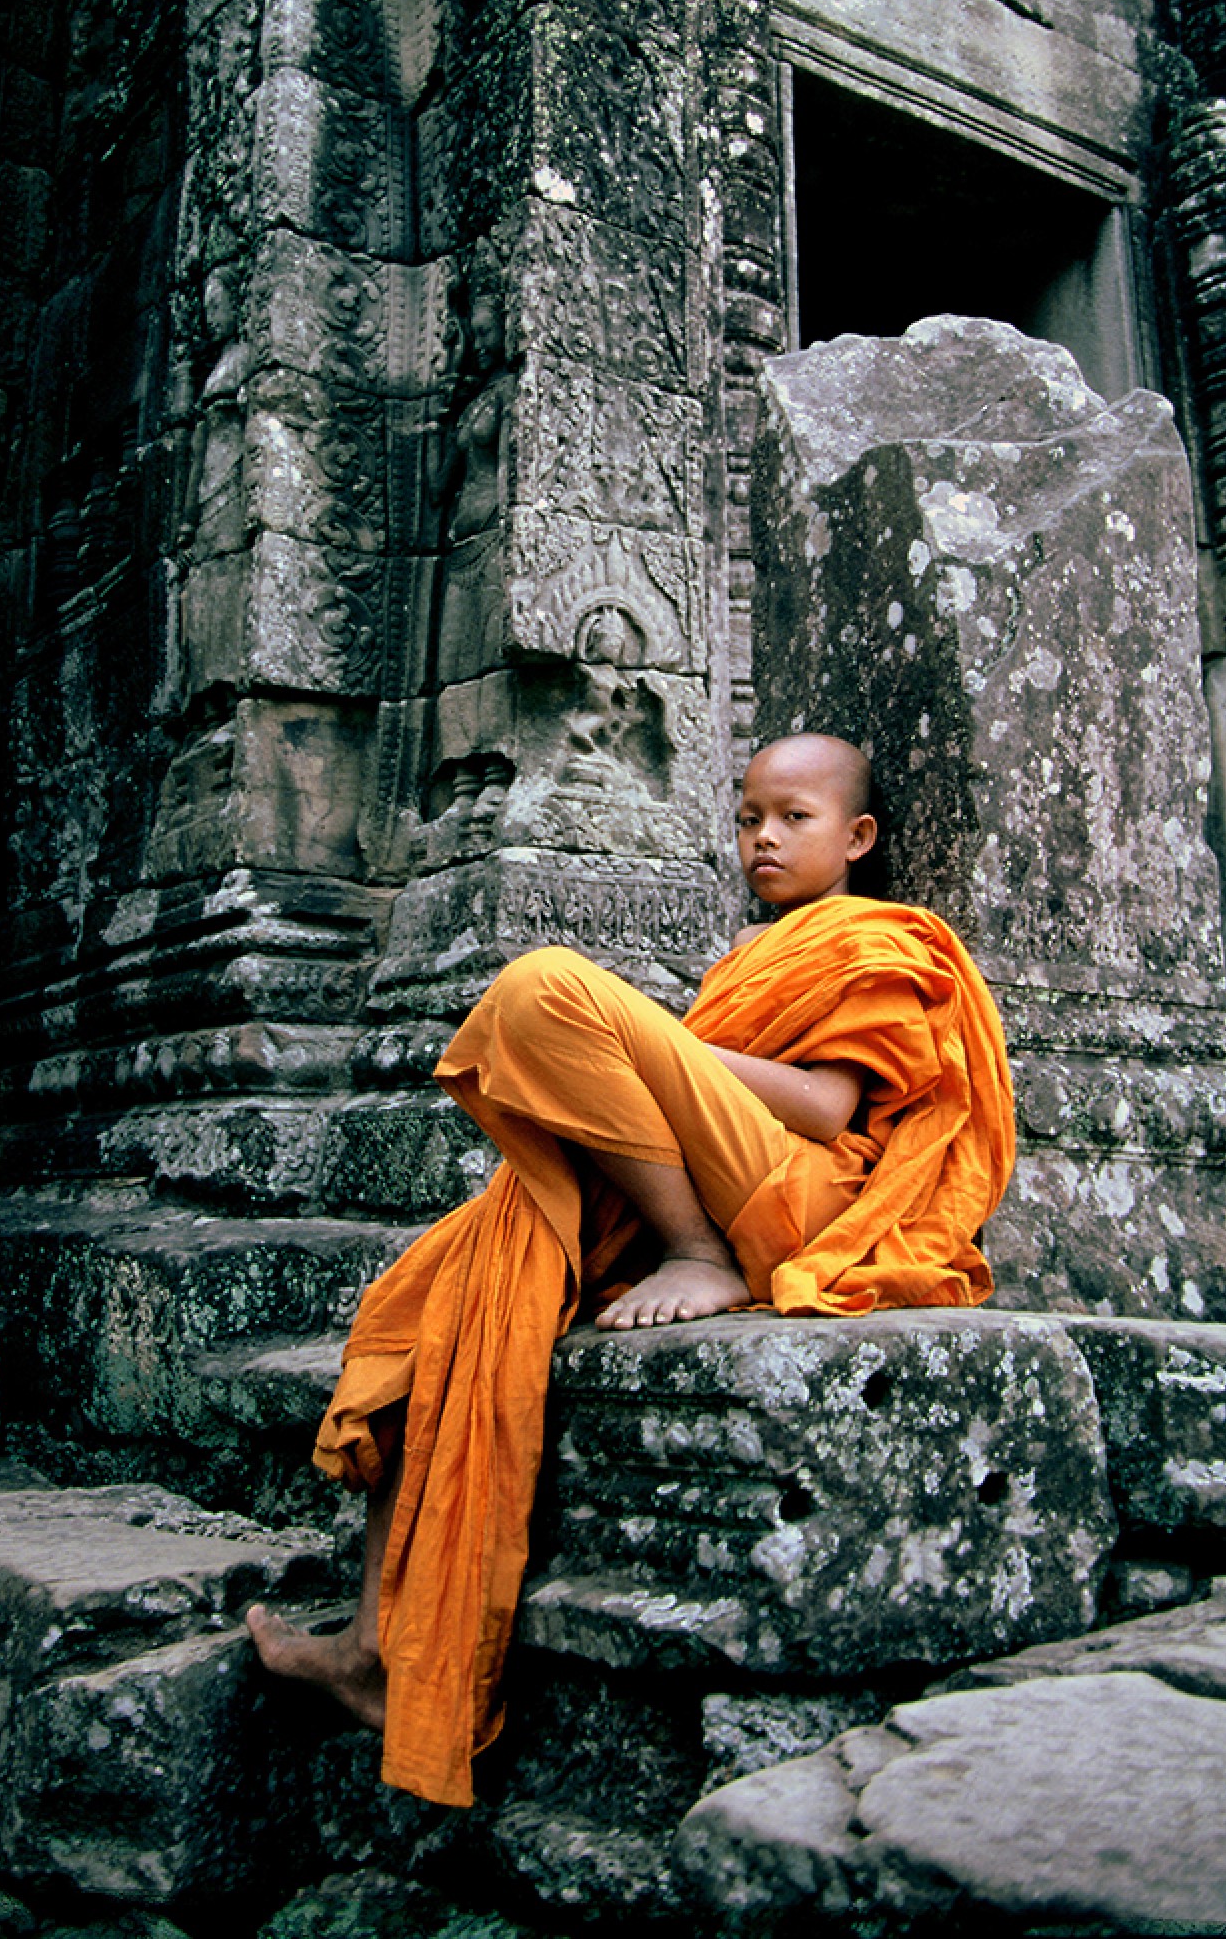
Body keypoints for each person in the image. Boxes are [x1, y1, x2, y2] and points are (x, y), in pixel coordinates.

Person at [245, 733, 1015, 1806]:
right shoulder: (751, 952)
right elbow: (673, 1096)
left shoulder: (881, 938)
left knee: (545, 988)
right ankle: (372, 1650)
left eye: (794, 817)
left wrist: (646, 1039)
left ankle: (699, 1253)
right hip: (726, 1165)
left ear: (857, 837)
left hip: (801, 1199)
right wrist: (646, 1049)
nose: (763, 838)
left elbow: (831, 1108)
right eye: (748, 817)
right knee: (447, 1285)